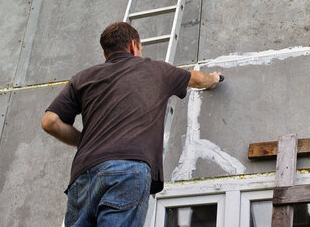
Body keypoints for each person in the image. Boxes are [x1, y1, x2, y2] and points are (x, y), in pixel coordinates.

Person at [41, 22, 221, 227]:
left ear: (105, 54)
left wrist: (85, 142)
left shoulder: (82, 78)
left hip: (83, 176)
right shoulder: (155, 69)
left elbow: (50, 122)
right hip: (126, 170)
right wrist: (213, 78)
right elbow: (197, 79)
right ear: (133, 46)